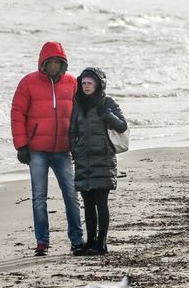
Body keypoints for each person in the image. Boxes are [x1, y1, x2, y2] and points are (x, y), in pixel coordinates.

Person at [11, 42, 82, 256]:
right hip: (37, 151)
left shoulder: (72, 82)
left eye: (57, 62)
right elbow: (17, 113)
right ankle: (42, 241)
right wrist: (21, 145)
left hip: (63, 150)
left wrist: (79, 142)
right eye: (49, 62)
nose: (53, 66)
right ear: (43, 63)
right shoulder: (28, 82)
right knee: (39, 197)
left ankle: (77, 239)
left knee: (71, 194)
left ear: (63, 63)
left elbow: (80, 114)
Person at [69, 67, 128, 256]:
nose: (86, 86)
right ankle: (90, 241)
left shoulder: (107, 102)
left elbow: (122, 126)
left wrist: (106, 114)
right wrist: (74, 150)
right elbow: (72, 130)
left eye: (90, 83)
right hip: (83, 159)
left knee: (101, 202)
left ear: (98, 84)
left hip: (103, 159)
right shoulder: (78, 104)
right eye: (84, 83)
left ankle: (101, 244)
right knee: (87, 202)